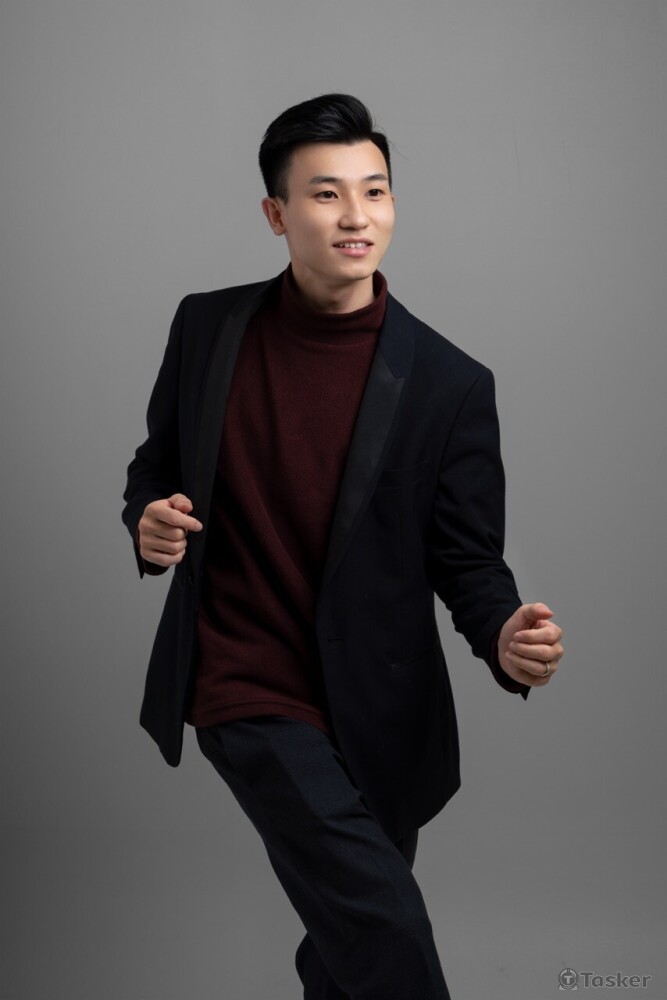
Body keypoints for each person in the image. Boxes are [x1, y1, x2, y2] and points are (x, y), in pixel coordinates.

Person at [122, 93, 564, 1000]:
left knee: (346, 951)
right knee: (385, 927)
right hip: (244, 677)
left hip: (379, 705)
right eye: (326, 194)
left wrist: (503, 636)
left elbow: (467, 560)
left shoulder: (448, 382)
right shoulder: (207, 328)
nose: (356, 215)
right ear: (276, 214)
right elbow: (155, 468)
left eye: (375, 190)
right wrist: (148, 520)